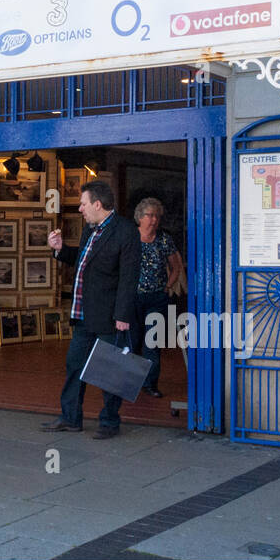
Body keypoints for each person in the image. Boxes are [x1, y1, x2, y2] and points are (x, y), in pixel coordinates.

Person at [42, 180, 140, 439]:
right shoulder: (90, 229)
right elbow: (84, 260)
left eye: (83, 204)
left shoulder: (126, 231)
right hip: (83, 314)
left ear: (98, 204)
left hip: (109, 316)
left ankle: (109, 423)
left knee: (110, 372)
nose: (80, 209)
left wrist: (122, 316)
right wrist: (60, 250)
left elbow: (129, 277)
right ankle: (70, 418)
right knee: (74, 366)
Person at [132, 197, 184, 398]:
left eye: (156, 216)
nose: (153, 220)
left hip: (157, 298)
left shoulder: (164, 239)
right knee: (132, 341)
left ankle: (150, 384)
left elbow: (176, 266)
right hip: (133, 298)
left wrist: (167, 286)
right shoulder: (130, 237)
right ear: (140, 217)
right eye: (149, 215)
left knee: (152, 342)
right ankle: (131, 381)